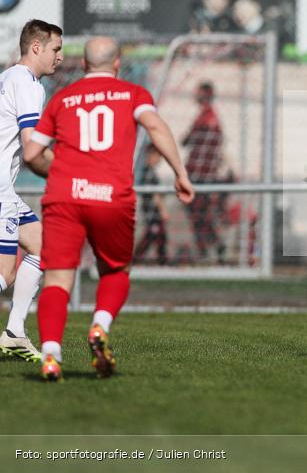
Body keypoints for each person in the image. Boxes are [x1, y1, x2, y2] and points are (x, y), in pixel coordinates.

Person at [24, 36, 194, 381]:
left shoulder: (62, 99)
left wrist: (56, 169)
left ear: (83, 64)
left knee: (58, 278)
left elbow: (31, 154)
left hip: (64, 196)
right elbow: (155, 126)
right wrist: (180, 173)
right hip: (111, 196)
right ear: (117, 64)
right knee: (116, 270)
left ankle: (52, 354)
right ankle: (99, 326)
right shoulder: (134, 94)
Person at [0, 20, 62, 362]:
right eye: (55, 49)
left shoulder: (8, 77)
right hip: (0, 192)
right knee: (5, 273)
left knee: (44, 245)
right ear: (36, 47)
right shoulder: (28, 84)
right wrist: (68, 171)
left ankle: (14, 333)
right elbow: (31, 147)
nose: (60, 57)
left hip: (4, 190)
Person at [182, 81, 227, 263]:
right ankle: (211, 246)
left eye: (198, 93)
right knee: (198, 212)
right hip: (201, 173)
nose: (195, 96)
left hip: (201, 175)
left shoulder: (207, 119)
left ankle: (211, 246)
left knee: (199, 212)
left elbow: (187, 140)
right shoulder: (206, 117)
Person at [134, 144, 170, 265]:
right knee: (152, 234)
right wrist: (163, 211)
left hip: (151, 211)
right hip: (152, 211)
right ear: (150, 155)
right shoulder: (149, 173)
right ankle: (136, 259)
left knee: (160, 235)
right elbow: (156, 195)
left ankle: (162, 261)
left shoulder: (147, 172)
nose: (159, 159)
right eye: (157, 156)